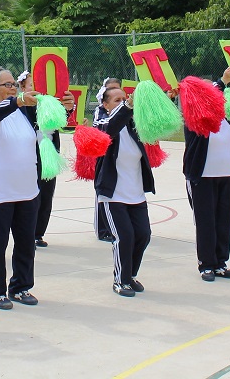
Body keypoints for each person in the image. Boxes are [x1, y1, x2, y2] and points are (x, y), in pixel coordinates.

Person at [0, 67, 41, 310]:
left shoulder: (24, 112)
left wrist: (66, 107)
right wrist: (18, 101)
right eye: (7, 84)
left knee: (25, 243)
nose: (13, 88)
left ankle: (21, 287)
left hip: (27, 190)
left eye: (14, 84)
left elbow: (50, 123)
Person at [182, 68, 230, 282]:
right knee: (206, 221)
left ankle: (220, 263)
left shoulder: (226, 117)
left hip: (227, 175)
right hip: (202, 177)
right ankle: (206, 264)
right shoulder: (195, 117)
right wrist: (223, 81)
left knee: (224, 220)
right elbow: (209, 96)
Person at [95, 86, 153, 296]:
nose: (122, 102)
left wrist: (165, 96)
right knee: (124, 236)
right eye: (116, 100)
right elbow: (111, 127)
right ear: (105, 105)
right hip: (113, 195)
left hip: (135, 193)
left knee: (143, 235)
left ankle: (130, 275)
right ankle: (120, 280)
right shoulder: (102, 124)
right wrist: (127, 106)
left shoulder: (133, 126)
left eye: (124, 98)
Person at [20, 71, 76, 249]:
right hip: (28, 156)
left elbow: (64, 122)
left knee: (46, 196)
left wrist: (69, 108)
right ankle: (25, 233)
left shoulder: (51, 104)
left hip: (49, 155)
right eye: (32, 85)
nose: (37, 90)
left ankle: (38, 233)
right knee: (29, 197)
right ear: (23, 88)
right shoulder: (21, 106)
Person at [92, 77, 121, 243]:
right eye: (110, 90)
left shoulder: (128, 111)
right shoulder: (100, 111)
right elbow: (100, 126)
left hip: (121, 159)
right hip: (104, 157)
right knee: (102, 193)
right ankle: (102, 230)